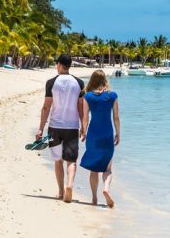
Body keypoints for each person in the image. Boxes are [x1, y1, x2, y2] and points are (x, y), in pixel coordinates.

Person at [37, 54, 85, 203]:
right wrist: (84, 126)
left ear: (58, 65)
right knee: (71, 161)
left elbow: (46, 107)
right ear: (70, 66)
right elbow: (81, 107)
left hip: (54, 127)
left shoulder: (51, 83)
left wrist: (40, 128)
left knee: (58, 160)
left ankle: (60, 191)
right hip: (72, 127)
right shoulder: (79, 83)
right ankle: (69, 185)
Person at [80, 70, 120, 208]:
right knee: (107, 169)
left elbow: (85, 118)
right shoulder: (112, 96)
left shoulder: (88, 96)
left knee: (94, 169)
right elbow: (116, 118)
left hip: (93, 135)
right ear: (105, 80)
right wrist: (118, 133)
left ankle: (94, 198)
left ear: (92, 80)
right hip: (107, 134)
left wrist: (83, 132)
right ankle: (106, 189)